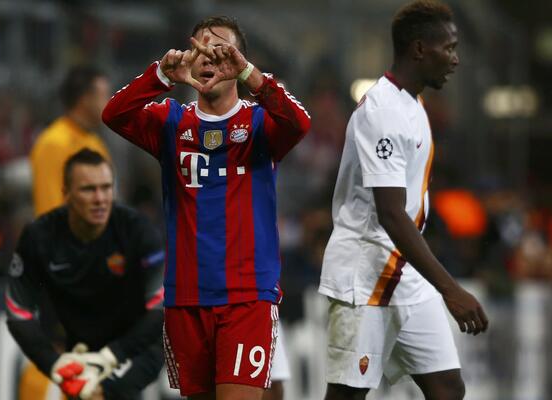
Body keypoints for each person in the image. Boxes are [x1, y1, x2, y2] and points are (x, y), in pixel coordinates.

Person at [102, 15, 311, 400]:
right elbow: (113, 114)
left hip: (247, 297)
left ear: (238, 61)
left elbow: (299, 123)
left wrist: (249, 74)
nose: (209, 57)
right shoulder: (171, 122)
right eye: (200, 48)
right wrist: (160, 76)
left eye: (221, 49)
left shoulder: (260, 123)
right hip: (185, 298)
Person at [319, 2, 489, 399]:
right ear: (419, 49)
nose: (455, 59)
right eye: (449, 48)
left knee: (448, 388)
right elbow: (391, 214)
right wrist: (450, 289)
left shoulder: (412, 102)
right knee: (347, 395)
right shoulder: (382, 112)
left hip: (404, 270)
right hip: (366, 273)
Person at [6, 149, 165, 399]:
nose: (100, 198)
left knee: (100, 395)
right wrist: (53, 364)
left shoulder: (138, 231)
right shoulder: (40, 236)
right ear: (66, 193)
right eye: (88, 189)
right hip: (76, 348)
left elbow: (160, 310)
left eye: (106, 188)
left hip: (135, 346)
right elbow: (18, 312)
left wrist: (110, 357)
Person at [30, 65, 111, 217]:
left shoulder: (96, 143)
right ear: (85, 99)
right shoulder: (53, 143)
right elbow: (49, 211)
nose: (110, 102)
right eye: (104, 96)